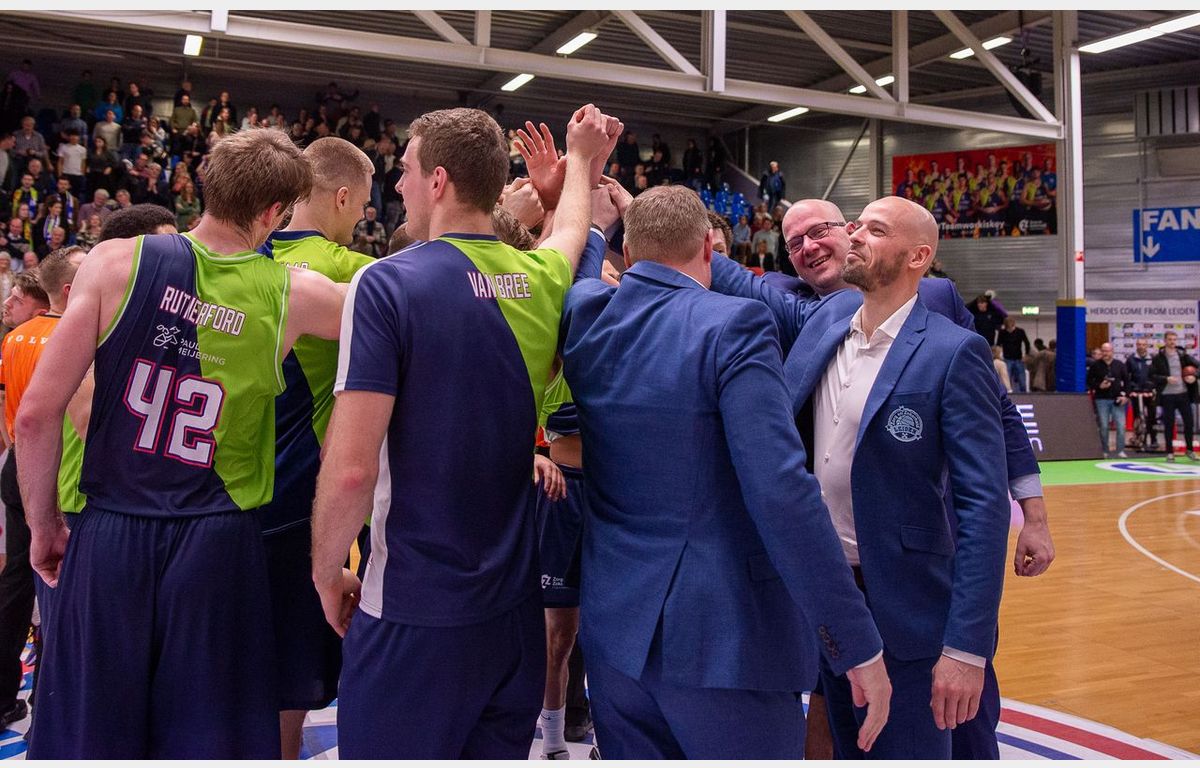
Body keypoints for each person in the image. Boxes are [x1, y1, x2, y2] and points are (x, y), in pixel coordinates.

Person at [17, 128, 347, 759]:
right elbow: (400, 303)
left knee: (93, 735)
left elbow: (35, 414)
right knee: (207, 739)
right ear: (274, 212)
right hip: (216, 540)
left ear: (206, 187)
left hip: (110, 530)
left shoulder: (113, 262)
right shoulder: (294, 293)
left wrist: (44, 525)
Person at [309, 104, 618, 759]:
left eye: (405, 170)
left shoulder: (385, 283)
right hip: (512, 620)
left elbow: (354, 468)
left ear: (439, 180)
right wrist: (581, 160)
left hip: (416, 611)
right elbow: (571, 230)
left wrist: (325, 569)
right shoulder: (540, 279)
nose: (398, 186)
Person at [704, 197, 1049, 760]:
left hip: (910, 604)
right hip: (831, 596)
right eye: (857, 225)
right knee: (850, 745)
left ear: (918, 257)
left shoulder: (953, 349)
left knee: (934, 743)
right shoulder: (823, 321)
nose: (857, 235)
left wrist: (967, 647)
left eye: (876, 230)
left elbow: (984, 509)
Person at [559, 185, 891, 759]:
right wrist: (855, 640)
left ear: (629, 253)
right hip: (723, 642)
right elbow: (781, 493)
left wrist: (587, 215)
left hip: (614, 638)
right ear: (709, 249)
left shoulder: (586, 313)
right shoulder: (735, 324)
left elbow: (581, 273)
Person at [255, 136, 377, 760]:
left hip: (224, 489)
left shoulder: (243, 256)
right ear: (342, 196)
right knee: (291, 670)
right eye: (363, 206)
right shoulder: (349, 269)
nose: (362, 219)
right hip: (302, 493)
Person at [0, 270, 51, 732]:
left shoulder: (14, 340)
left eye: (15, 298)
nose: (7, 304)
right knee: (55, 580)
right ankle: (47, 700)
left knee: (17, 578)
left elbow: (7, 409)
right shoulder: (64, 335)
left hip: (16, 461)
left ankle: (3, 697)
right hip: (52, 465)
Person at [1150, 331, 1199, 462]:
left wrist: (1194, 376)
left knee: (1189, 423)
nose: (1172, 342)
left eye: (1174, 339)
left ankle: (1190, 450)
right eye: (1170, 339)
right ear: (1165, 341)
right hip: (1167, 396)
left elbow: (1198, 366)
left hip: (1183, 394)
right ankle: (1170, 452)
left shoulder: (1183, 355)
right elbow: (1152, 376)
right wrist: (1166, 379)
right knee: (1169, 425)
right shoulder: (1158, 358)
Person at [1087, 343, 1129, 459]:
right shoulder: (1096, 365)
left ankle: (1120, 450)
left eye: (1108, 351)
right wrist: (1099, 386)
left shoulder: (1119, 365)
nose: (1105, 353)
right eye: (1103, 351)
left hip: (1117, 399)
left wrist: (1126, 396)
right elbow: (1089, 381)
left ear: (1112, 351)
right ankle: (1104, 450)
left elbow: (1127, 381)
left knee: (1121, 426)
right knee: (1104, 426)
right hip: (1101, 400)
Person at [1126, 337, 1158, 450]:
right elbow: (1127, 377)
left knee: (1152, 416)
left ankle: (1153, 439)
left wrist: (1151, 389)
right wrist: (1131, 390)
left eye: (1143, 344)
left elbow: (1156, 376)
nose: (1141, 347)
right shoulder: (1131, 359)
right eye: (1139, 344)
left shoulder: (1153, 359)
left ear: (1147, 346)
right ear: (1136, 345)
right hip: (1136, 394)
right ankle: (1139, 439)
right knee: (1138, 417)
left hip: (1150, 393)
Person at [996, 316, 1031, 393]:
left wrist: (1026, 355)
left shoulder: (1020, 331)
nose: (1009, 330)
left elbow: (1027, 343)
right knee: (1006, 380)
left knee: (1022, 381)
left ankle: (1024, 394)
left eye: (1010, 328)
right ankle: (1008, 394)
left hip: (1018, 358)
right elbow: (998, 344)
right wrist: (998, 355)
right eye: (1007, 328)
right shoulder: (1002, 332)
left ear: (1013, 325)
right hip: (1007, 358)